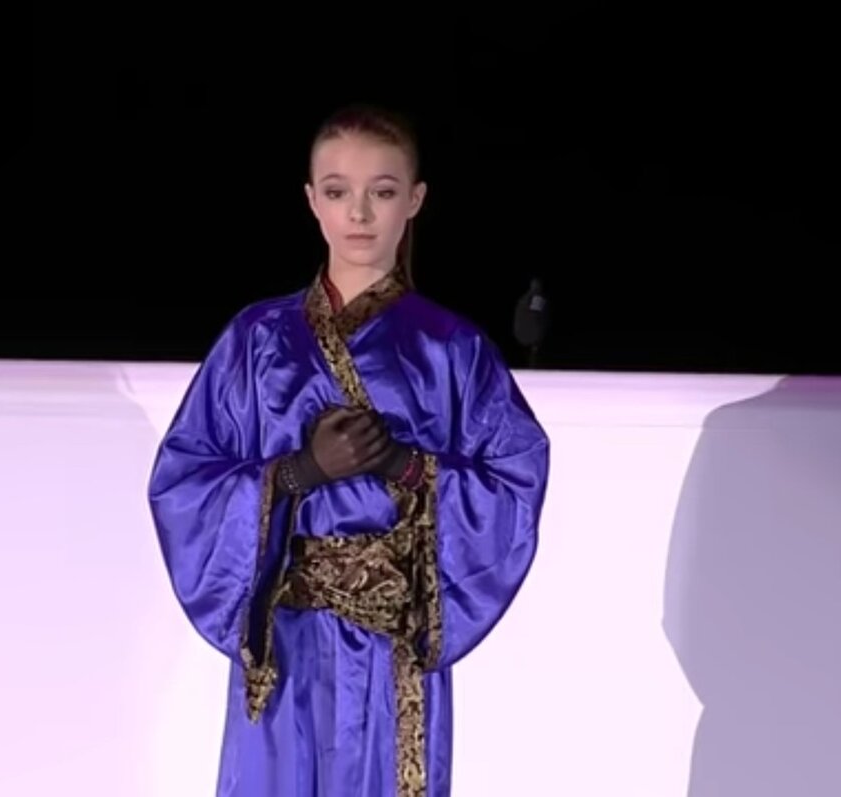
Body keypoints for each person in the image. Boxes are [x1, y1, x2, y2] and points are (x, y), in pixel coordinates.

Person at [147, 103, 550, 797]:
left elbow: (514, 477)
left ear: (414, 200)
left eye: (382, 191)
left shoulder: (452, 349)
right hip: (286, 638)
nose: (359, 213)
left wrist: (406, 466)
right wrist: (297, 472)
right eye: (338, 191)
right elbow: (183, 479)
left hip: (392, 648)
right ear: (312, 200)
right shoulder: (256, 340)